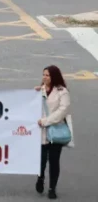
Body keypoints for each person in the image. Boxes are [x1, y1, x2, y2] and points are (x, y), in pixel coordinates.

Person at [36, 65, 73, 200]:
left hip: (55, 131)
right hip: (41, 132)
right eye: (43, 75)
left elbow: (62, 111)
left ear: (54, 76)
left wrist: (46, 121)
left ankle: (52, 188)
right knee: (40, 160)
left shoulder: (62, 92)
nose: (45, 77)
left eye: (48, 75)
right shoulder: (39, 91)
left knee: (53, 161)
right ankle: (40, 177)